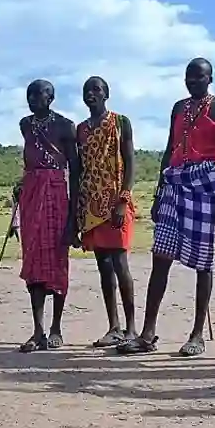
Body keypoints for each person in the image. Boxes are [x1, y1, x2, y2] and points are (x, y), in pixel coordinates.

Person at [118, 58, 215, 358]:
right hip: (174, 182)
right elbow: (170, 148)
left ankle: (197, 335)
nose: (193, 81)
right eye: (188, 77)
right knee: (161, 256)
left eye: (199, 77)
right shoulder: (178, 108)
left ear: (210, 78)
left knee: (203, 261)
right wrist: (159, 193)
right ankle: (147, 334)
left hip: (204, 183)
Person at [13, 80, 79, 352]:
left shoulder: (66, 126)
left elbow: (75, 171)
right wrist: (21, 186)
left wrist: (74, 214)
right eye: (29, 94)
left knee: (57, 261)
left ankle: (56, 329)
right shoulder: (25, 125)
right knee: (34, 261)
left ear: (50, 98)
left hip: (56, 196)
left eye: (38, 94)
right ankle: (38, 330)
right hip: (31, 196)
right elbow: (29, 163)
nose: (32, 99)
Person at [76, 76, 138, 347]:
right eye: (87, 91)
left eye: (97, 89)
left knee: (120, 263)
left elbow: (130, 163)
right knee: (103, 267)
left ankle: (132, 328)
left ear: (106, 94)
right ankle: (113, 326)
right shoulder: (80, 129)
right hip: (91, 204)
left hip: (116, 203)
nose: (92, 94)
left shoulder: (121, 122)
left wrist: (123, 201)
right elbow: (79, 169)